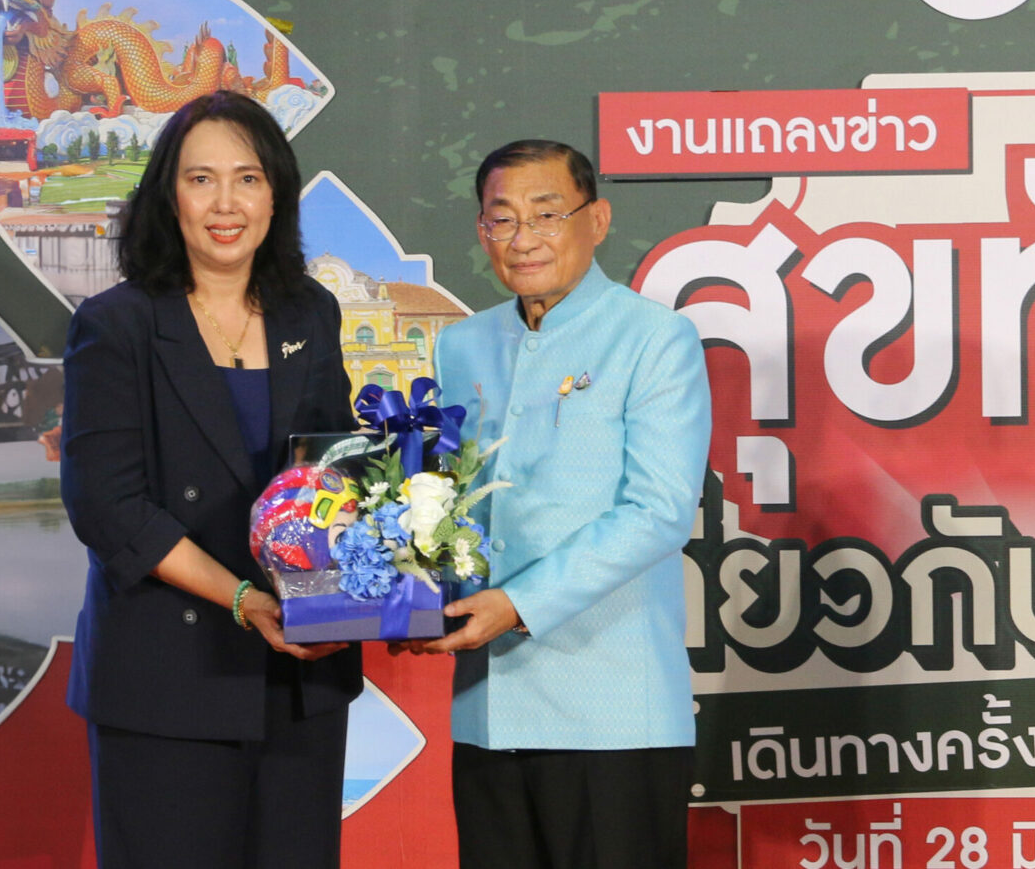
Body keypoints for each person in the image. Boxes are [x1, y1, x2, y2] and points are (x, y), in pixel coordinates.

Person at [59, 91, 362, 869]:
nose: (226, 203)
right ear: (169, 196)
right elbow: (107, 505)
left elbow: (333, 472)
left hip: (300, 675)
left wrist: (375, 580)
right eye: (202, 179)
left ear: (276, 195)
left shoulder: (311, 312)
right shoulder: (117, 323)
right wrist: (242, 598)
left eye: (247, 178)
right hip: (167, 676)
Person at [419, 140, 711, 869]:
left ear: (597, 219)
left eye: (546, 214)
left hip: (614, 711)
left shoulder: (655, 338)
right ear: (482, 230)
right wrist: (410, 591)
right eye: (502, 219)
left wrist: (516, 604)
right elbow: (446, 500)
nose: (523, 239)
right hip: (489, 709)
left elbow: (659, 510)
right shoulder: (462, 345)